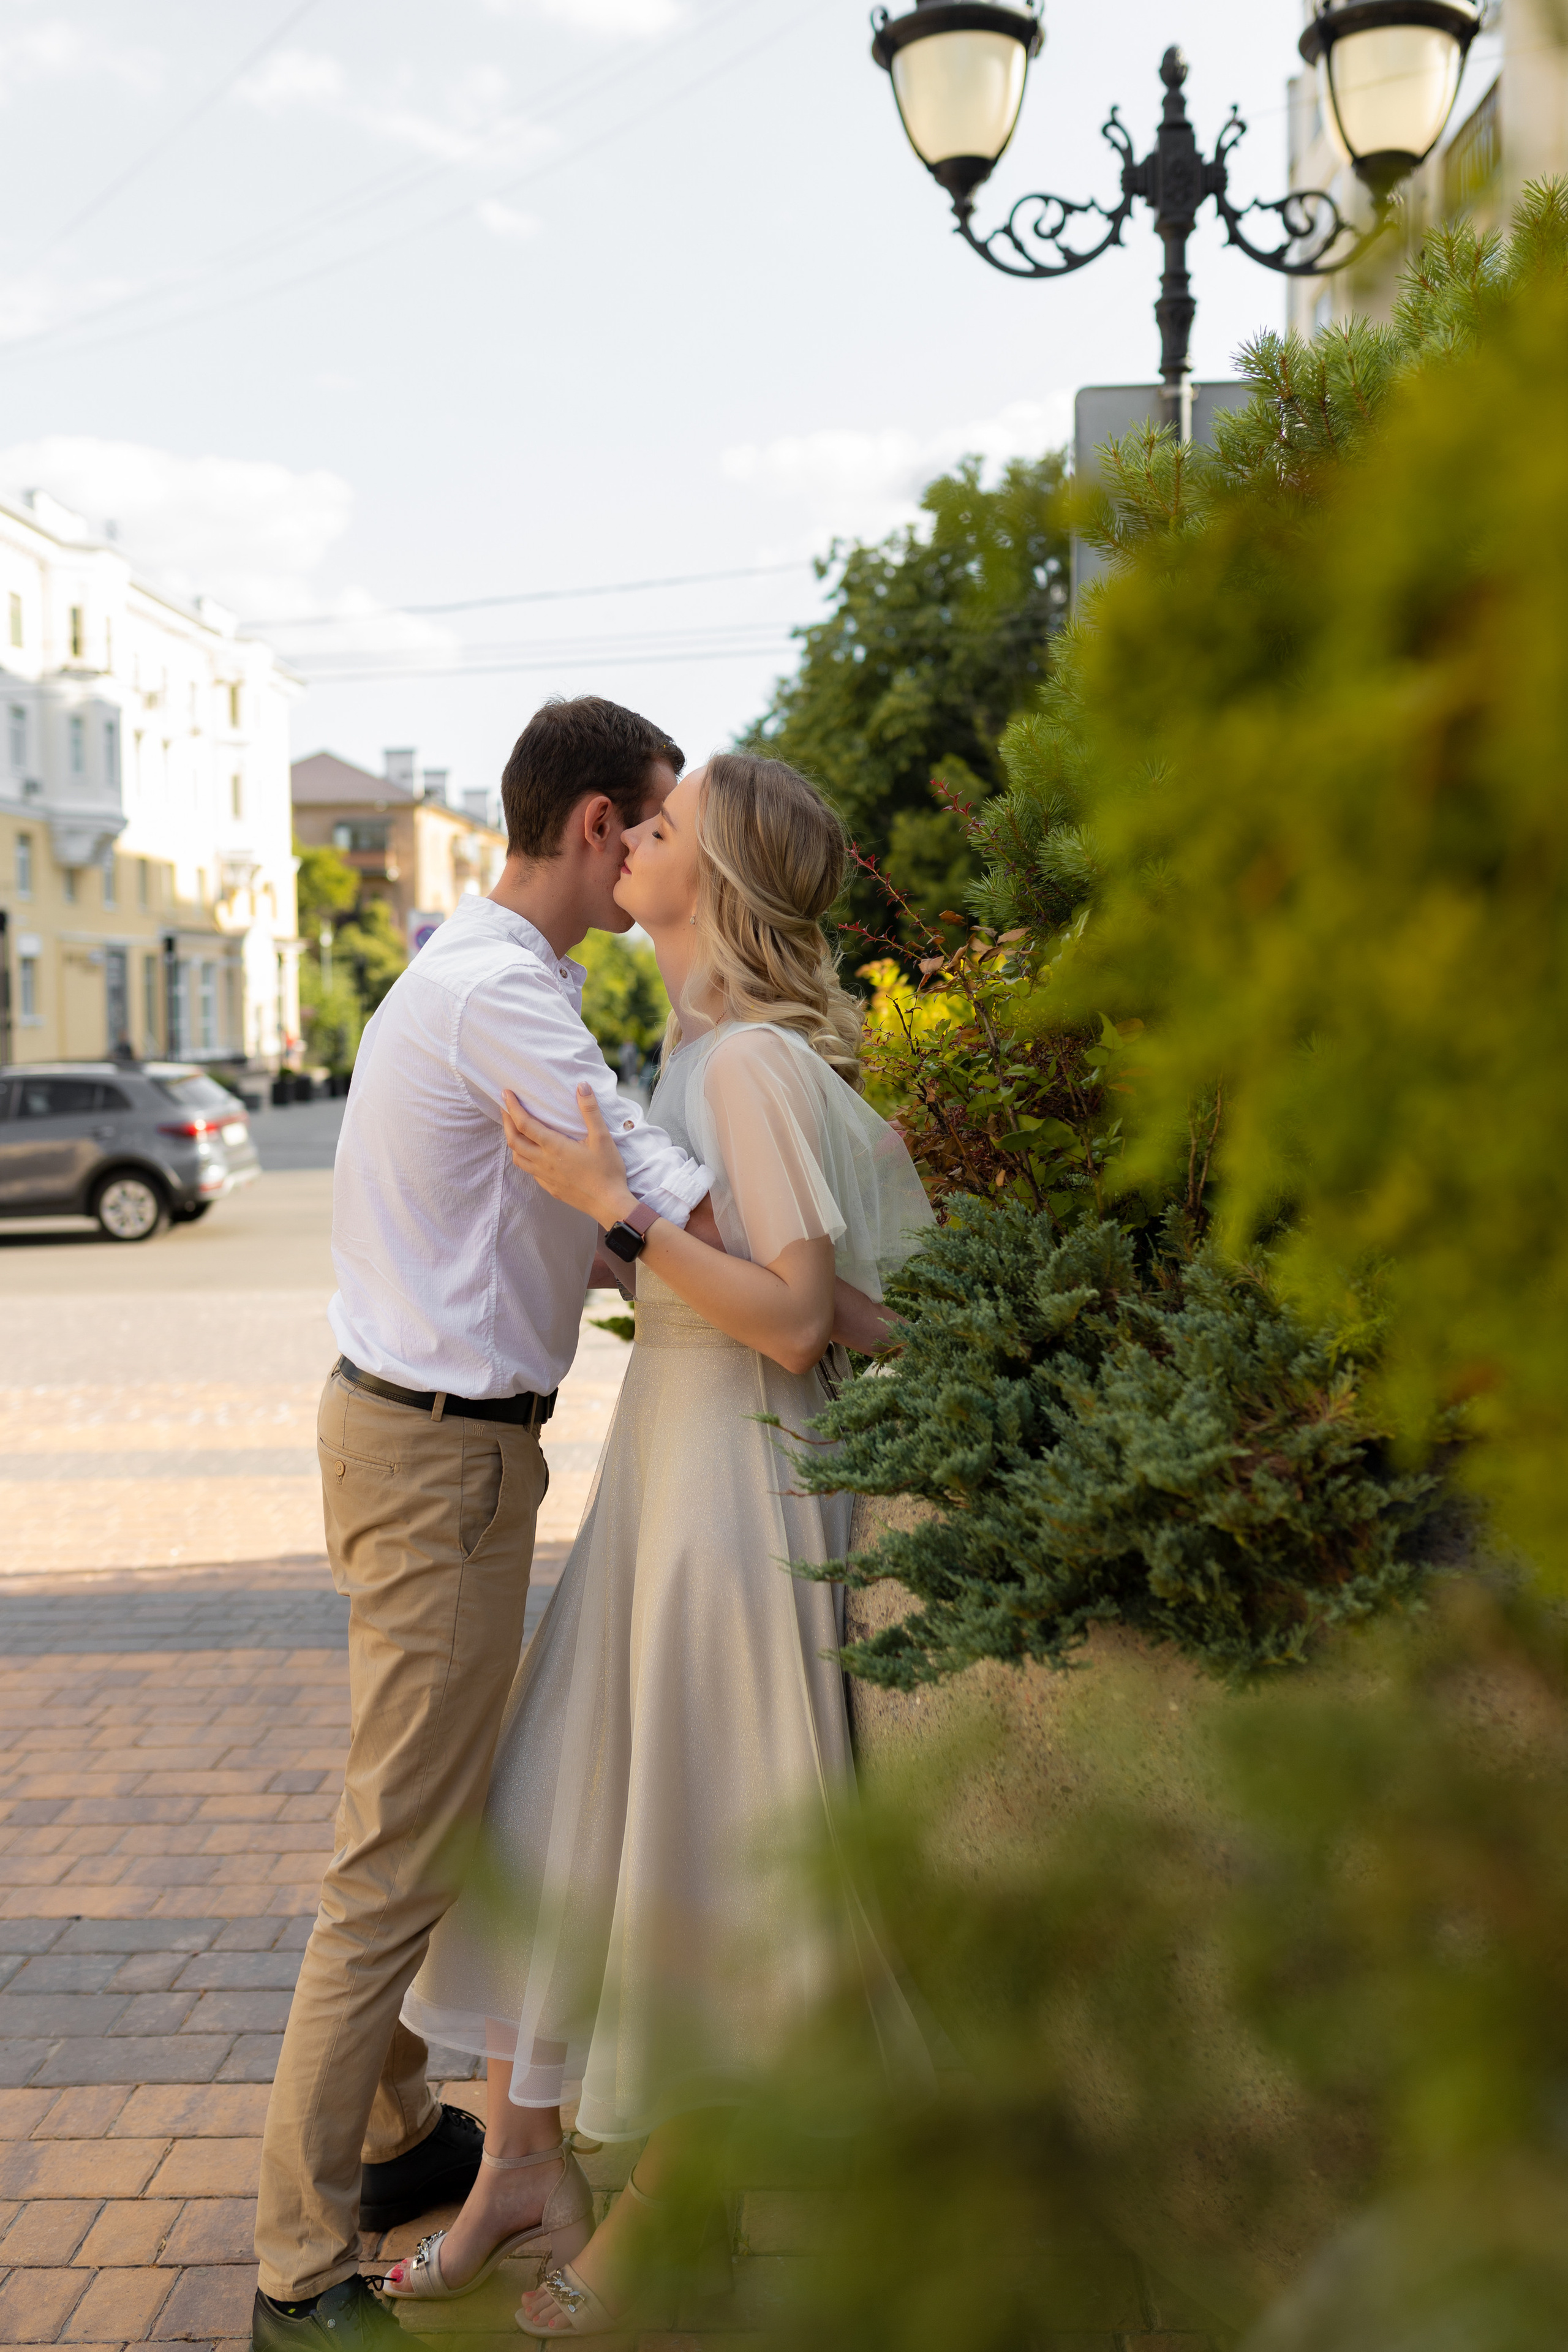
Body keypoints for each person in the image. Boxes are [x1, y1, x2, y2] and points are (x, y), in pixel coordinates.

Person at [386, 751, 935, 2337]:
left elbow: (783, 1325)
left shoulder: (748, 1066)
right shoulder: (702, 1053)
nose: (629, 837)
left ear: (721, 879)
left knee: (706, 1859)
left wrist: (619, 1222)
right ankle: (520, 2170)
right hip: (674, 1482)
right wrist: (629, 1246)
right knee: (565, 1817)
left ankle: (670, 2217)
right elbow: (824, 1308)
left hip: (733, 1500)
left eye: (664, 826)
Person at [251, 697, 719, 2352]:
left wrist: (605, 1244)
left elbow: (539, 1214)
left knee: (417, 1813)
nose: (666, 854)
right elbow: (680, 1205)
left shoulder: (463, 971)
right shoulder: (509, 994)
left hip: (414, 1441)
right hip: (440, 1465)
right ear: (597, 825)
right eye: (658, 824)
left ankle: (390, 2144)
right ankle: (297, 2271)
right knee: (394, 1863)